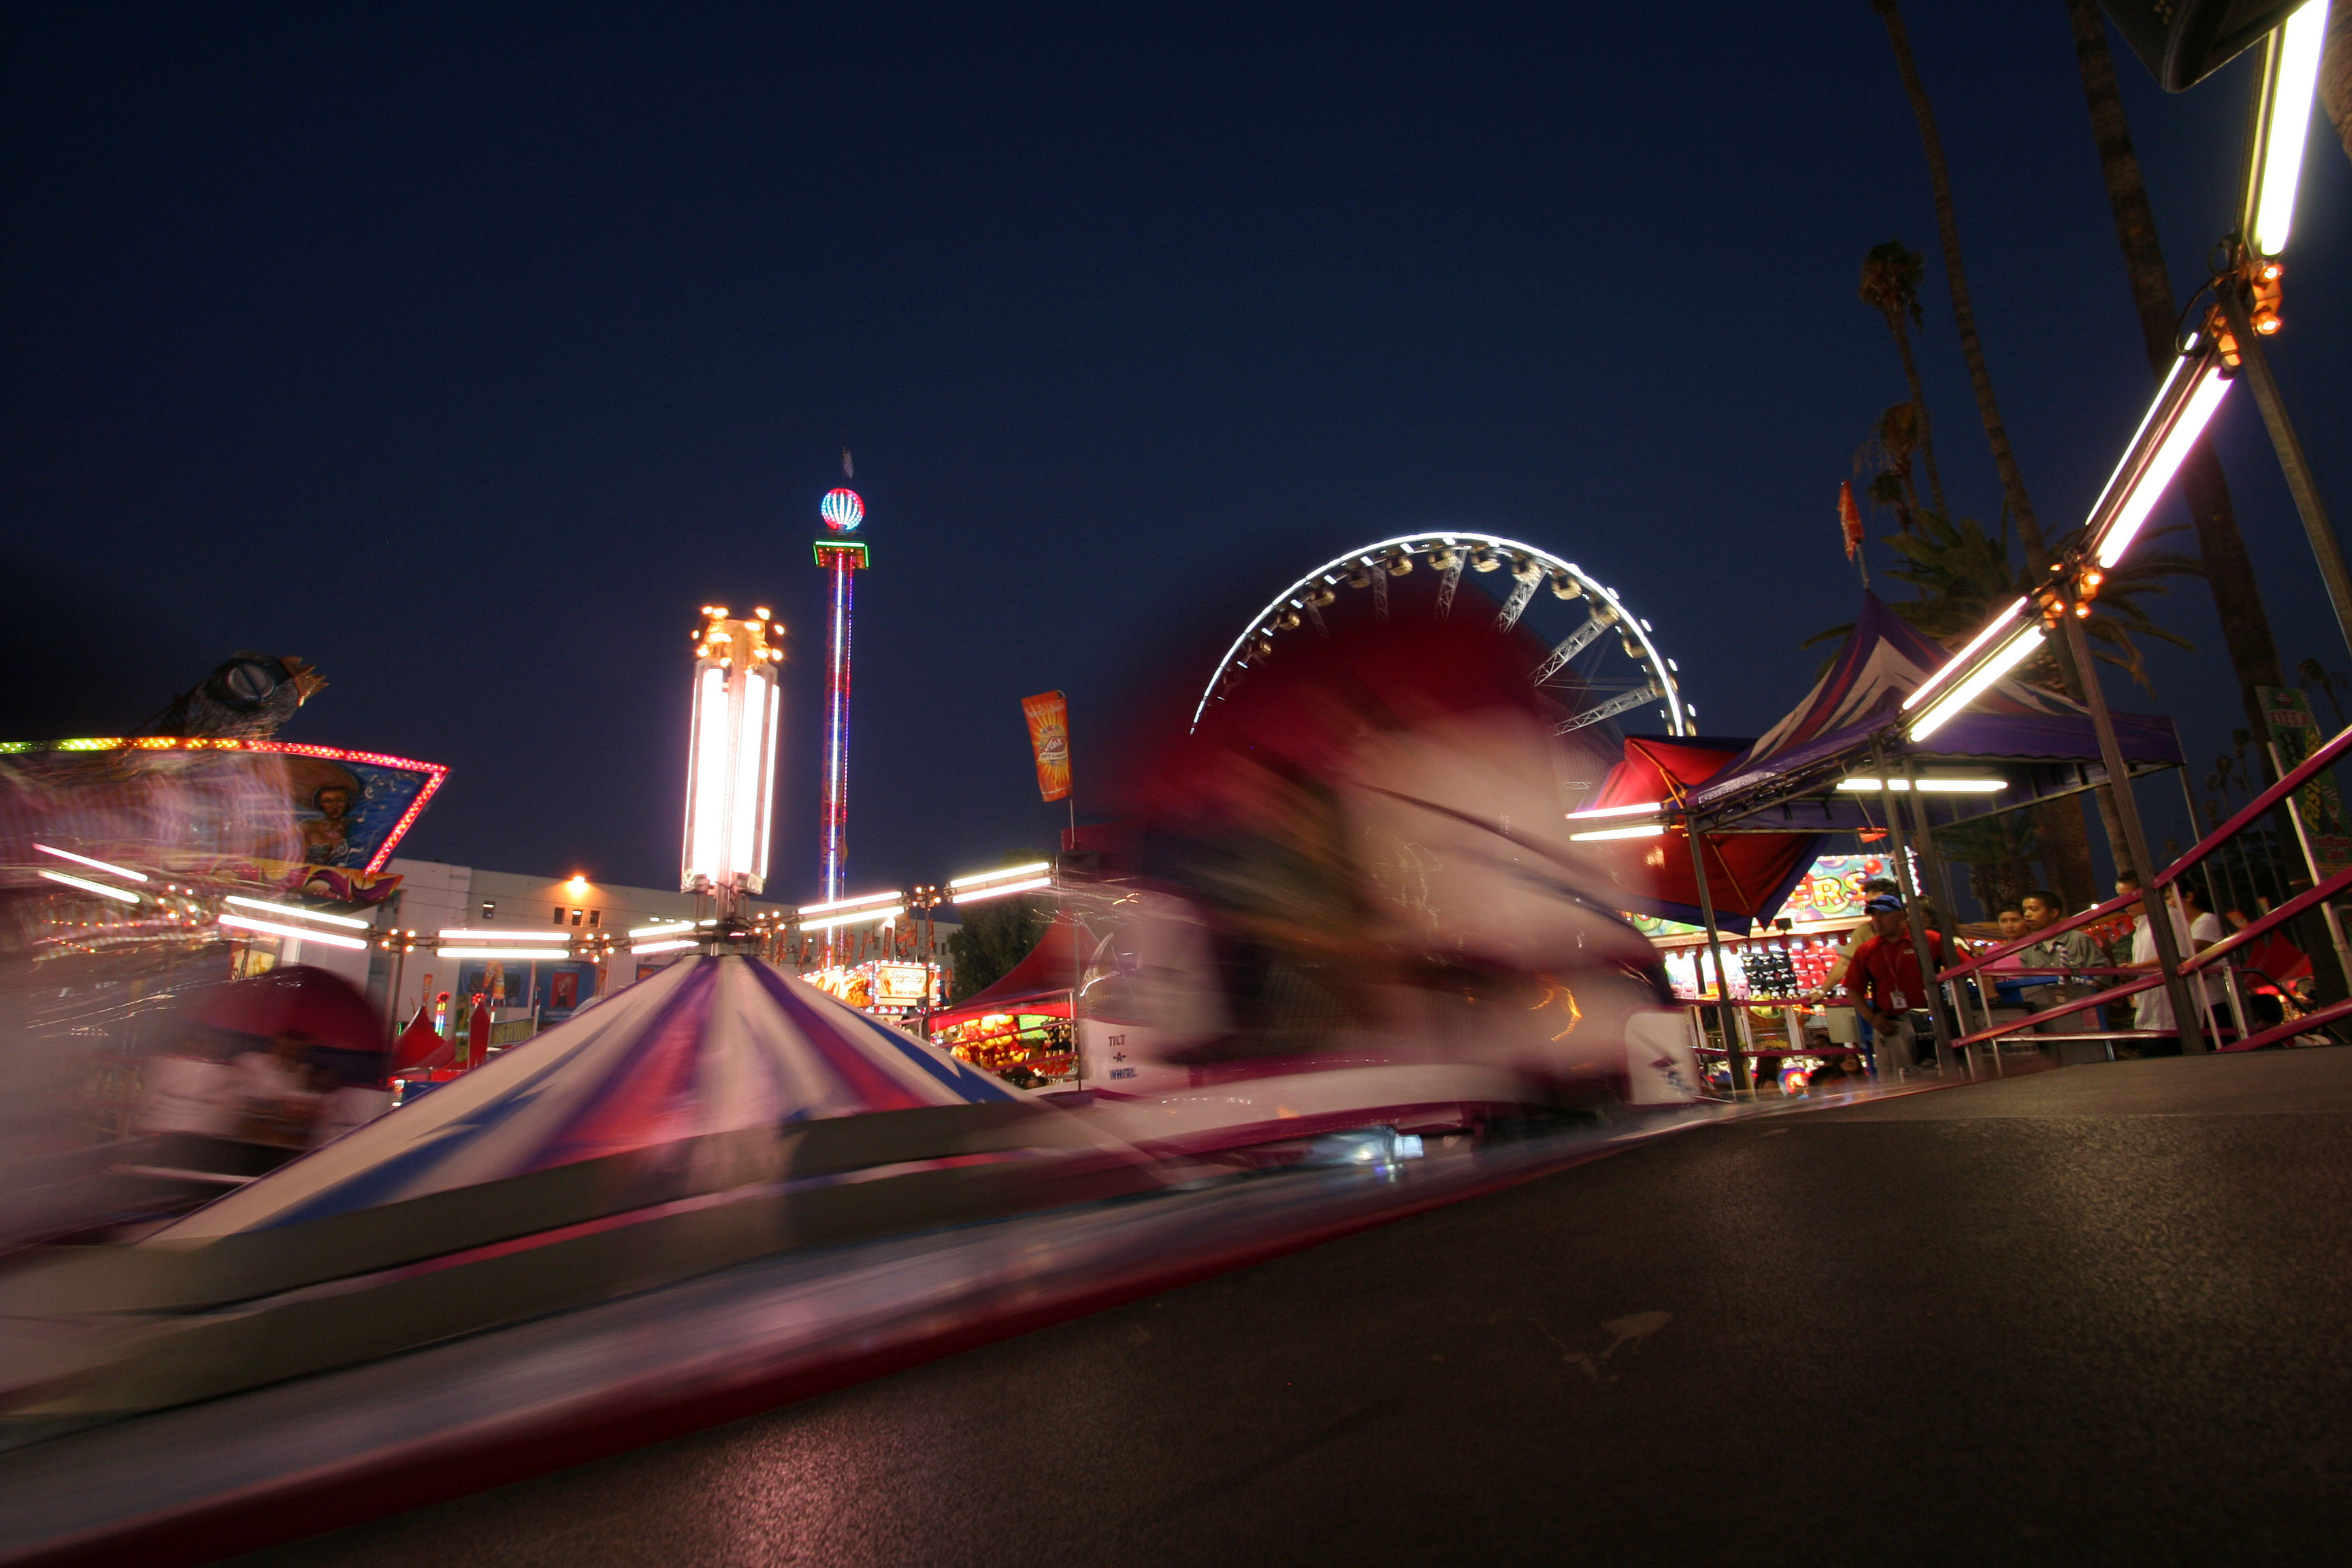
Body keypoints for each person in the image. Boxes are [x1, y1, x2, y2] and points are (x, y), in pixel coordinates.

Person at [1842, 894, 1948, 1070]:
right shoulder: (1867, 950)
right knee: (1898, 1082)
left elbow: (1963, 967)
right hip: (1891, 1025)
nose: (1877, 920)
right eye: (1874, 916)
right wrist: (1871, 1018)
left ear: (1900, 915)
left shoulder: (1928, 940)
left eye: (1883, 914)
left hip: (1932, 1019)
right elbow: (1853, 988)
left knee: (1942, 1076)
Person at [2015, 888, 2097, 1034]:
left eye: (2034, 909)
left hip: (2082, 1012)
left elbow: (2102, 976)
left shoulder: (2079, 939)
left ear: (2054, 913)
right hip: (2046, 1018)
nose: (2027, 915)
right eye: (2025, 910)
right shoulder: (2027, 949)